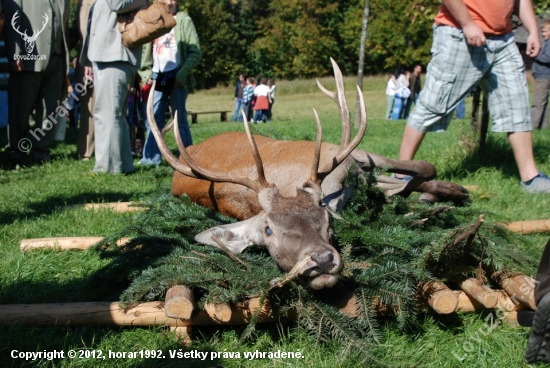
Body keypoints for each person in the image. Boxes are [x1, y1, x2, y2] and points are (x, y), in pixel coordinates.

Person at [396, 0, 550, 194]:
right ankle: (401, 174)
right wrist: (468, 23)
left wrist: (533, 30)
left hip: (504, 39)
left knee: (517, 105)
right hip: (459, 32)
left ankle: (530, 178)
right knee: (434, 103)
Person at [82, 0, 147, 174]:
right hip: (107, 56)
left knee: (107, 114)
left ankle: (107, 168)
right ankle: (124, 165)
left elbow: (116, 4)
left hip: (116, 56)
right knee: (114, 115)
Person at [3, 0, 70, 165]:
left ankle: (41, 152)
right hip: (28, 58)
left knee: (50, 109)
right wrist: (15, 53)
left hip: (57, 57)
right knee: (21, 109)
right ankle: (16, 152)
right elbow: (11, 17)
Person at [138, 0, 201, 166]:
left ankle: (189, 157)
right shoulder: (153, 19)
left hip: (177, 74)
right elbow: (143, 49)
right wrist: (145, 73)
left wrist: (182, 74)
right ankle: (150, 158)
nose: (170, 2)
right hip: (161, 76)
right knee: (155, 115)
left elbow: (195, 52)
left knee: (178, 117)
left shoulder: (183, 19)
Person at [72, 0, 96, 161]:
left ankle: (107, 150)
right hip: (84, 59)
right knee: (88, 107)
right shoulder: (82, 3)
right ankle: (86, 152)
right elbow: (75, 31)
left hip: (110, 57)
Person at [531, 19, 550, 130]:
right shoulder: (547, 43)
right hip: (543, 75)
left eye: (546, 31)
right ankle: (543, 127)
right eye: (542, 32)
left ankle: (532, 127)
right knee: (543, 103)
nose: (543, 34)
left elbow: (548, 58)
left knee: (537, 103)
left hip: (543, 76)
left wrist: (535, 55)